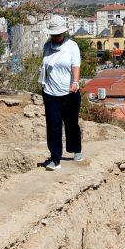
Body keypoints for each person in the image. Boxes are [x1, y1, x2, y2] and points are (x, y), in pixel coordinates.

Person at [39, 15, 83, 171]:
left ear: (64, 33)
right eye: (54, 34)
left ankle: (76, 148)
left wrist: (75, 82)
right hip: (50, 93)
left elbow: (75, 65)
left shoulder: (72, 46)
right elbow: (45, 66)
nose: (56, 37)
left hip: (69, 92)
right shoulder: (46, 47)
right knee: (53, 126)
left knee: (71, 124)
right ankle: (55, 158)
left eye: (59, 34)